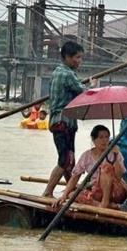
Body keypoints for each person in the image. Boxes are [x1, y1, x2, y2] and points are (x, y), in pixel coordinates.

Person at [42, 41, 96, 197]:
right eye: (77, 57)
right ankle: (48, 192)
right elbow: (84, 95)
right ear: (67, 57)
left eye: (81, 57)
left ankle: (70, 191)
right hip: (63, 122)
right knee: (65, 160)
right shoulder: (67, 74)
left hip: (59, 122)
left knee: (69, 160)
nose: (79, 61)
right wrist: (91, 86)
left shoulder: (57, 72)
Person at [54, 125, 127, 209]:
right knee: (72, 195)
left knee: (106, 168)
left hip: (115, 191)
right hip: (97, 191)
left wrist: (116, 155)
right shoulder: (86, 155)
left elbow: (119, 176)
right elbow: (75, 177)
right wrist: (64, 195)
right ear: (94, 139)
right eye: (101, 137)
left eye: (107, 137)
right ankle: (107, 206)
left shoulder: (114, 153)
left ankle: (105, 202)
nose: (105, 140)